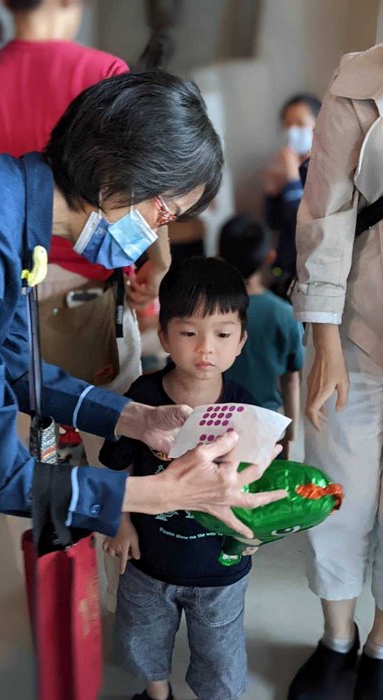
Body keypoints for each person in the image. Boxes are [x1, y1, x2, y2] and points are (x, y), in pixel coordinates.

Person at [0, 72, 286, 700]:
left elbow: (11, 359)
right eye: (165, 211)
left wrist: (133, 420)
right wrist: (152, 492)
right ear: (116, 178)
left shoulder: (2, 206)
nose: (159, 232)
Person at [0, 0, 173, 465]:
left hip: (3, 308)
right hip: (93, 303)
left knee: (33, 463)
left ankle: (51, 538)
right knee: (116, 446)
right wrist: (159, 259)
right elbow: (146, 185)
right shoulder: (105, 72)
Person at [99, 257, 272, 700]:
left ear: (241, 341)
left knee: (221, 655)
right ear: (164, 337)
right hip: (147, 562)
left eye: (222, 334)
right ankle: (158, 694)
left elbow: (255, 487)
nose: (205, 349)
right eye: (189, 333)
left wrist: (254, 535)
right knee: (143, 640)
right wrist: (120, 522)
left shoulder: (249, 412)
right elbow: (117, 464)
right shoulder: (142, 398)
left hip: (220, 572)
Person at [288, 44, 383, 700]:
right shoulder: (358, 80)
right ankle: (336, 638)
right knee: (333, 494)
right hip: (353, 331)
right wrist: (321, 341)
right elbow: (324, 213)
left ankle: (379, 645)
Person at [219, 214, 304, 458]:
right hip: (267, 425)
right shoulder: (284, 314)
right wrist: (291, 434)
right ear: (270, 257)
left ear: (220, 254)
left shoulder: (211, 311)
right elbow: (291, 380)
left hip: (217, 423)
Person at [263, 93, 321, 297]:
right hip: (285, 271)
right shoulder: (283, 168)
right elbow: (274, 222)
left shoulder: (324, 170)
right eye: (288, 124)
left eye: (300, 123)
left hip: (313, 276)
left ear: (318, 124)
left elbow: (304, 222)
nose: (293, 130)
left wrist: (292, 178)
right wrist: (271, 192)